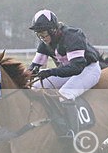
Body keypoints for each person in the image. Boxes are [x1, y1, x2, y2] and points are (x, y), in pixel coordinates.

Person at [28, 9, 102, 137]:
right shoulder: (44, 43)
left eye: (43, 33)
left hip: (87, 70)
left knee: (65, 94)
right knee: (35, 86)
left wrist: (50, 71)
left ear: (53, 30)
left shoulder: (72, 36)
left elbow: (76, 68)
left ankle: (74, 133)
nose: (42, 38)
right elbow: (34, 67)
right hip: (69, 71)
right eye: (38, 34)